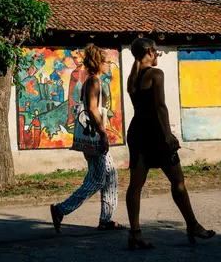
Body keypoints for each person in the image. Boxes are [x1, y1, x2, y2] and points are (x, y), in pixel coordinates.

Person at [125, 38, 216, 249]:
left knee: (136, 185)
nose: (157, 55)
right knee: (178, 181)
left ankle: (135, 233)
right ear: (148, 52)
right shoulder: (156, 74)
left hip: (137, 133)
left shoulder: (132, 78)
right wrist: (168, 135)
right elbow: (160, 107)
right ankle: (192, 225)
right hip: (156, 134)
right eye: (156, 51)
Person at [50, 44, 125, 233]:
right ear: (97, 63)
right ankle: (61, 209)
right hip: (94, 137)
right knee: (97, 180)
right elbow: (92, 109)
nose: (109, 64)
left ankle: (105, 219)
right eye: (106, 61)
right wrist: (103, 134)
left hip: (92, 137)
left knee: (109, 176)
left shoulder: (94, 80)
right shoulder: (94, 81)